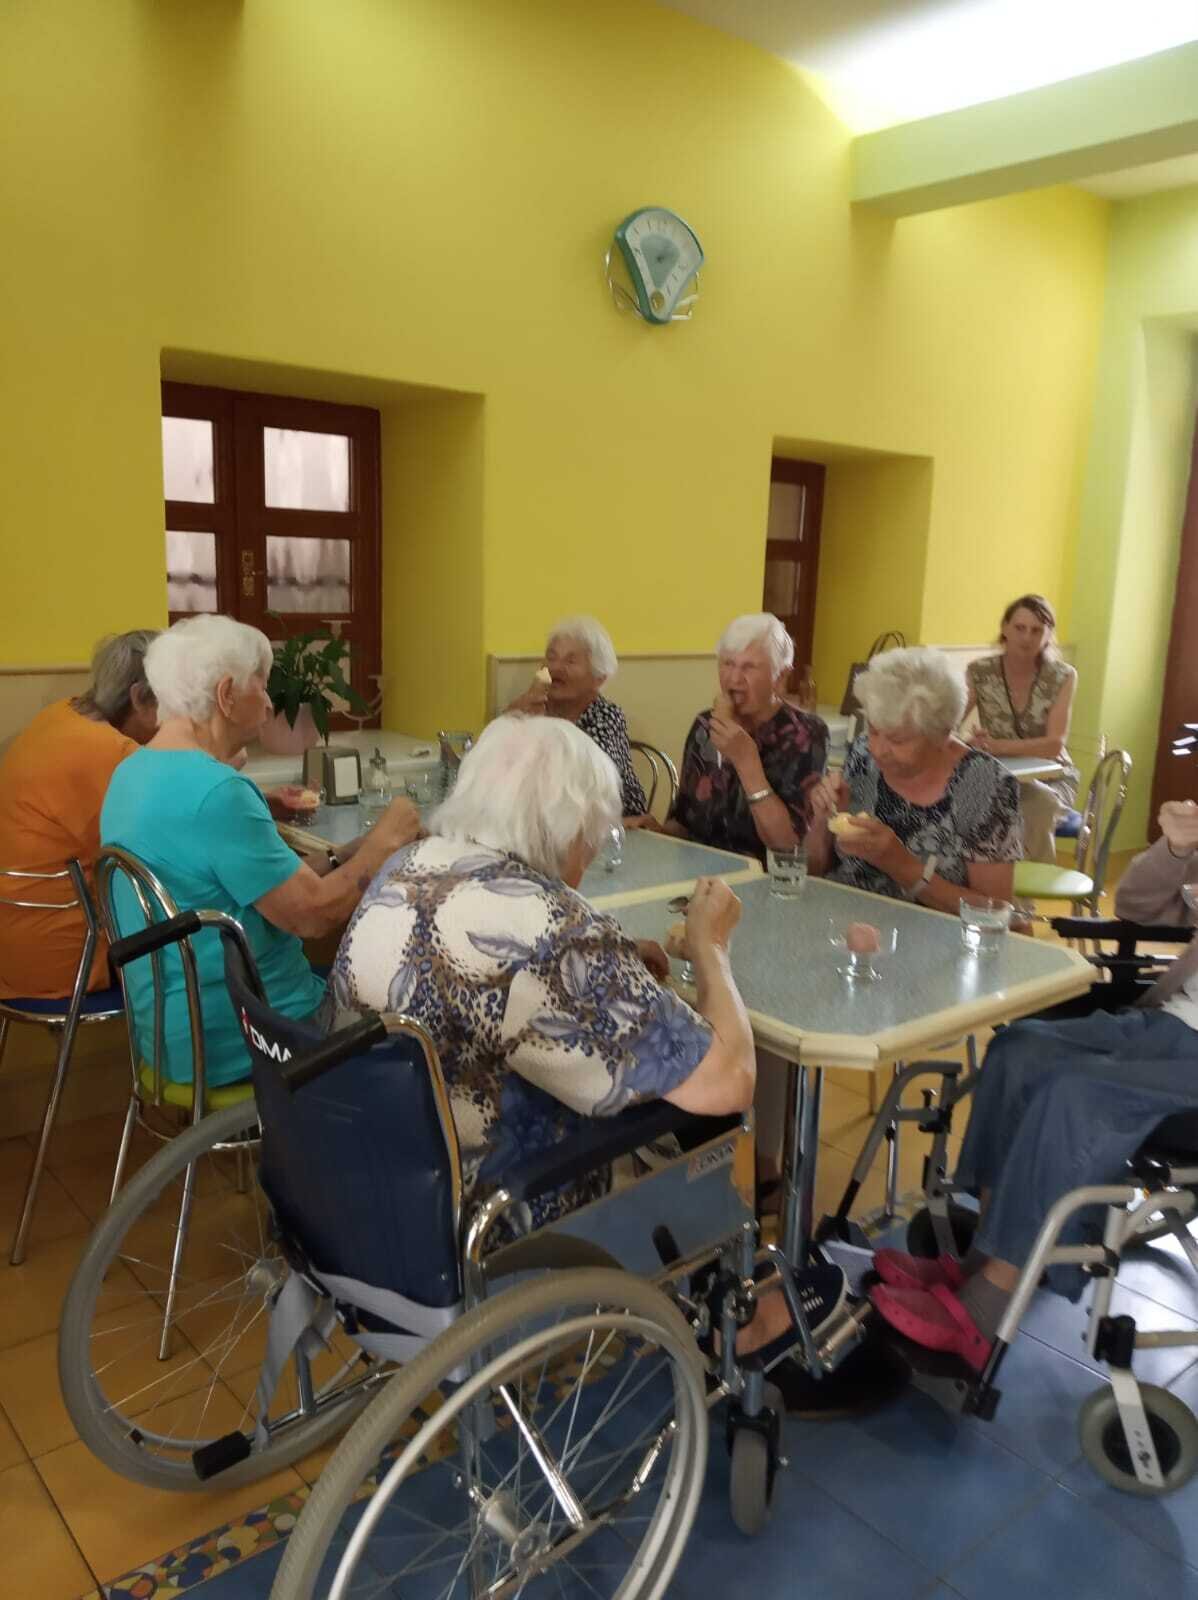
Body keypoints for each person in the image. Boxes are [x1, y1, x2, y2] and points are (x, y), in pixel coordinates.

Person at [868, 796, 1198, 1371]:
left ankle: (987, 1305)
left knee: (1074, 1093)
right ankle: (986, 1258)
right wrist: (1176, 850)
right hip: (1168, 1024)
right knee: (1018, 1050)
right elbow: (1138, 905)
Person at [100, 615, 421, 1088]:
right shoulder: (218, 792)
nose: (270, 702)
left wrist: (347, 855)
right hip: (249, 1035)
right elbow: (312, 916)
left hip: (171, 1032)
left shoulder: (131, 771)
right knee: (421, 1008)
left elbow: (254, 890)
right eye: (262, 685)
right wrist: (387, 839)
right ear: (227, 695)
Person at [0, 630, 160, 999]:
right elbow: (166, 851)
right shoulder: (110, 751)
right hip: (69, 957)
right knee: (216, 943)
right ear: (139, 697)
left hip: (15, 943)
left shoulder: (61, 714)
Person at [806, 646, 1021, 910]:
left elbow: (995, 911)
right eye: (873, 730)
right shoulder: (863, 753)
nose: (878, 749)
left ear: (940, 735)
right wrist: (822, 820)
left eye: (897, 740)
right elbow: (814, 869)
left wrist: (901, 865)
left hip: (931, 932)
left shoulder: (986, 784)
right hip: (841, 918)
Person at [662, 613, 827, 861]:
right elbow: (683, 822)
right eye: (728, 664)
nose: (734, 678)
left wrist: (745, 760)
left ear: (781, 677)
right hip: (698, 874)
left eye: (749, 667)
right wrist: (655, 832)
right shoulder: (704, 726)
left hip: (764, 877)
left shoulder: (807, 734)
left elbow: (788, 846)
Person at [964, 594, 1080, 863]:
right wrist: (971, 743)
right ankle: (985, 881)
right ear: (1005, 628)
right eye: (1020, 628)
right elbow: (947, 724)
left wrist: (997, 746)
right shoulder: (980, 671)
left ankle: (1027, 886)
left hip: (1053, 777)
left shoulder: (1062, 675)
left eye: (1037, 630)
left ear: (1048, 635)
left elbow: (1054, 745)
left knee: (1037, 804)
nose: (1027, 637)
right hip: (998, 773)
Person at [506, 615, 648, 818]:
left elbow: (583, 787)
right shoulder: (533, 707)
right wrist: (511, 720)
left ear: (599, 678)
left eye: (570, 661)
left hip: (613, 823)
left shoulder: (607, 717)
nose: (556, 668)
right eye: (551, 657)